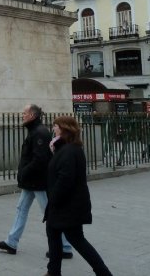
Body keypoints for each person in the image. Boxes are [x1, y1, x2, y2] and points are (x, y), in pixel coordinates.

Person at [0, 104, 72, 258]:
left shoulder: (40, 133)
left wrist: (24, 172)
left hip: (38, 181)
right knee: (21, 209)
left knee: (50, 213)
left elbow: (40, 159)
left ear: (33, 115)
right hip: (31, 181)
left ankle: (65, 247)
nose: (22, 115)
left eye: (24, 113)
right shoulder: (35, 131)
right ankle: (11, 242)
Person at [44, 116, 112, 276]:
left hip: (67, 206)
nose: (53, 129)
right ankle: (53, 271)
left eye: (56, 126)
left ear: (64, 128)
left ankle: (103, 272)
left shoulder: (69, 151)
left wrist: (53, 198)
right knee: (53, 234)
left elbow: (65, 180)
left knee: (77, 240)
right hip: (64, 205)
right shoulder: (66, 148)